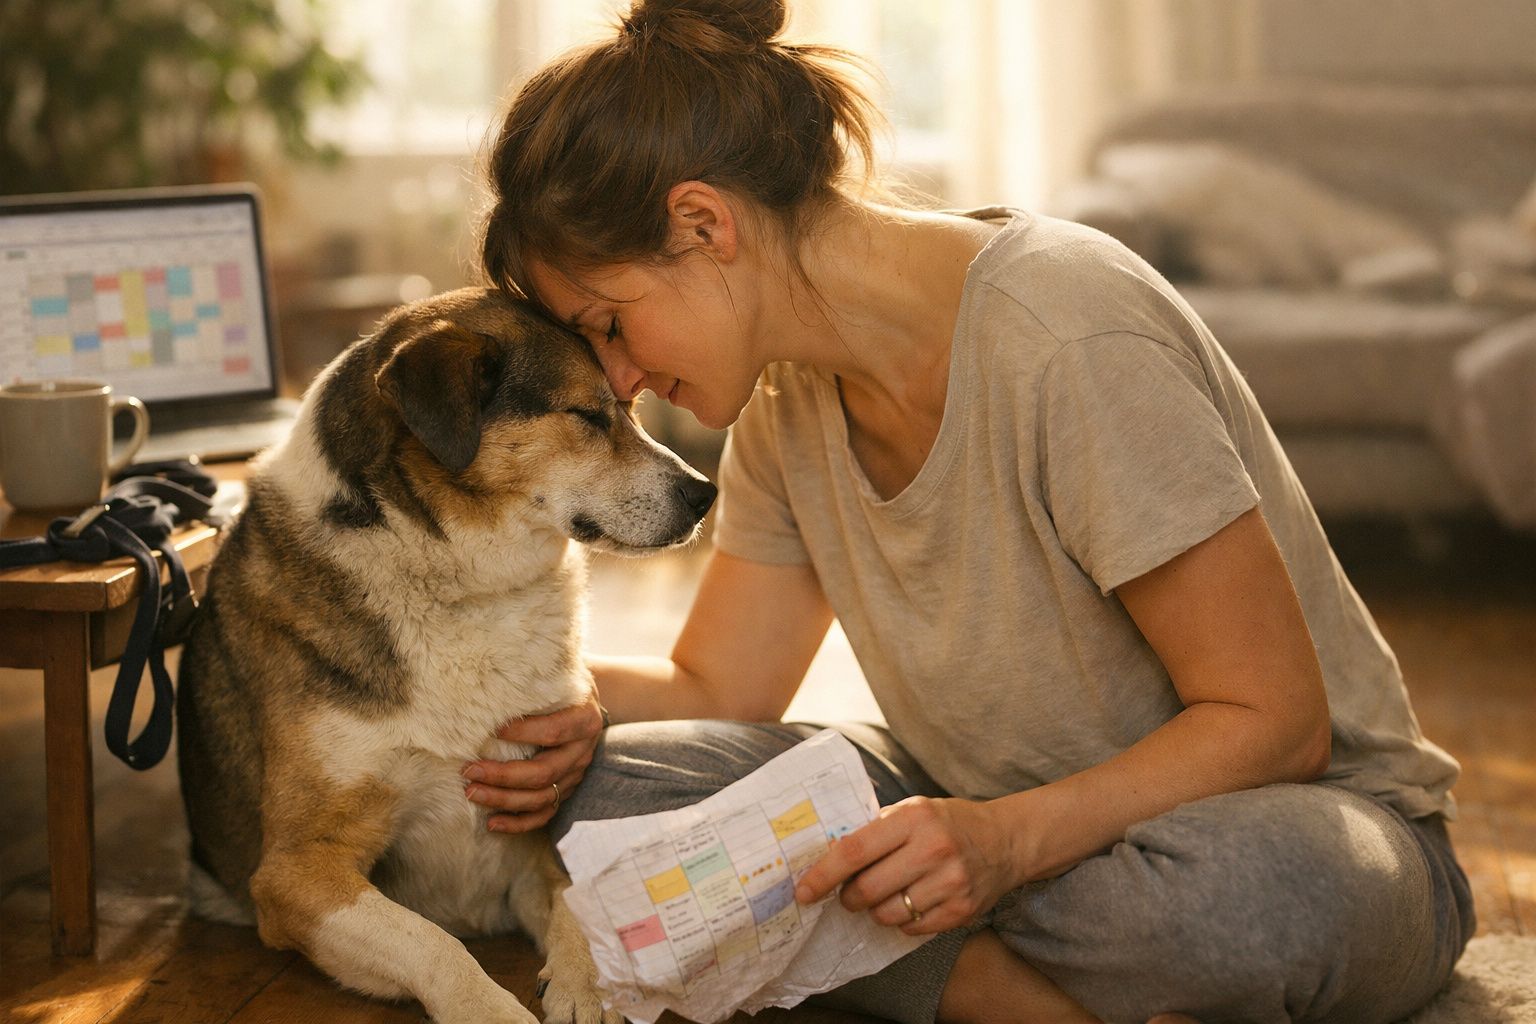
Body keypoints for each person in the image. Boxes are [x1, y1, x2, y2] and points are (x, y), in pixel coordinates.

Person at [463, 1, 1475, 1021]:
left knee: (1246, 908)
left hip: (1275, 823)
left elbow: (1277, 723)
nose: (625, 380)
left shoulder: (1067, 335)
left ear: (702, 223)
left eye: (611, 324)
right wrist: (531, 694)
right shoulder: (783, 404)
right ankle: (1026, 1001)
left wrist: (998, 847)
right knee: (600, 797)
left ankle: (920, 960)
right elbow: (717, 681)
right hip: (975, 808)